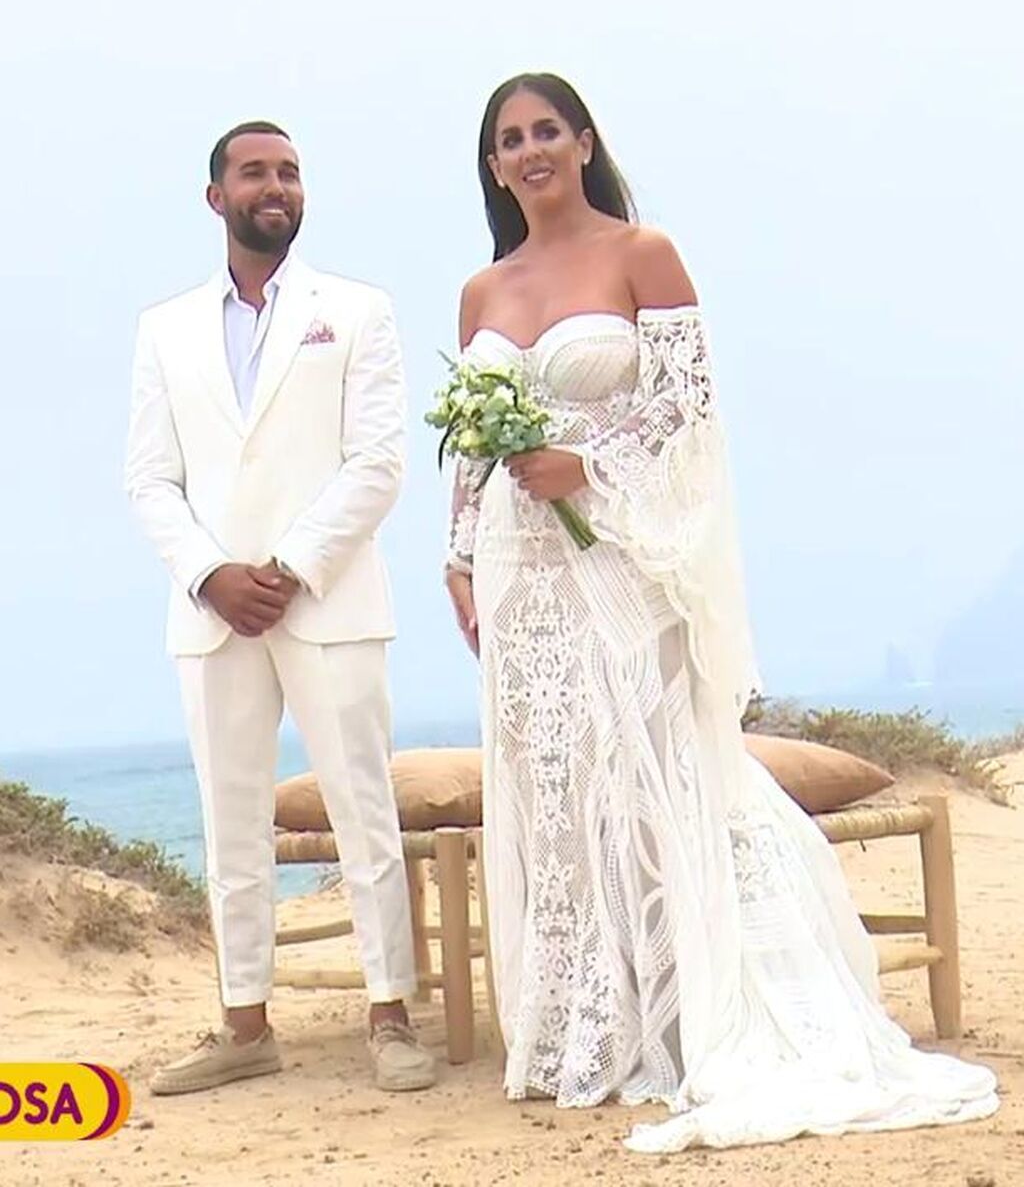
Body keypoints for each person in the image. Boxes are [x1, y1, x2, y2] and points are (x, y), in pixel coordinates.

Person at [445, 73, 997, 1152]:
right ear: (495, 164)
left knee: (651, 773)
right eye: (509, 140)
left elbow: (687, 419)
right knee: (554, 793)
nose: (529, 150)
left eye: (545, 129)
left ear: (583, 138)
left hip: (623, 558)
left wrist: (583, 467)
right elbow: (470, 444)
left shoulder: (643, 253)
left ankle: (690, 1013)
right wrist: (459, 558)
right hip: (520, 575)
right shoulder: (480, 288)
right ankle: (577, 1032)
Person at [126, 120, 434, 1096]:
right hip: (212, 613)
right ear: (215, 197)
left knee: (362, 808)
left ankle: (391, 1014)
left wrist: (290, 565)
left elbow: (378, 463)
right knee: (231, 821)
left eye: (291, 172)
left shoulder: (356, 310)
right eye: (255, 171)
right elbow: (149, 480)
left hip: (329, 599)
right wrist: (213, 573)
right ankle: (244, 1021)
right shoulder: (163, 327)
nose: (277, 185)